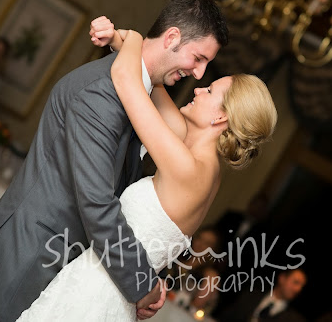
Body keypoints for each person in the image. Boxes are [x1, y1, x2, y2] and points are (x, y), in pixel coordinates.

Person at [0, 0, 228, 322]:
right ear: (172, 37)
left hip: (54, 277)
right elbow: (97, 203)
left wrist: (128, 40)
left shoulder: (141, 98)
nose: (199, 74)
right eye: (198, 58)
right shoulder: (102, 93)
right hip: (17, 272)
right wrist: (142, 284)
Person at [16, 25, 277, 321]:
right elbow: (151, 79)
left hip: (95, 295)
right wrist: (119, 40)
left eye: (209, 91)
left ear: (221, 116)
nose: (198, 88)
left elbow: (127, 80)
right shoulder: (202, 164)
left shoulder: (188, 168)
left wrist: (135, 38)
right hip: (110, 290)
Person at [216, 268, 308, 322]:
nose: (298, 289)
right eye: (295, 282)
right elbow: (226, 316)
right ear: (282, 278)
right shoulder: (251, 294)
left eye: (302, 286)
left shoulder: (294, 319)